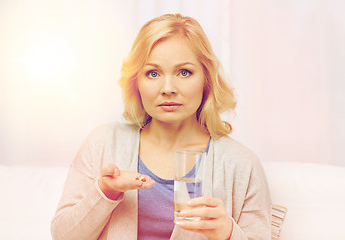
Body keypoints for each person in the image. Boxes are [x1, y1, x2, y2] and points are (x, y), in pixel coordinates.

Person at [51, 13, 272, 240]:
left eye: (184, 72)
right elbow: (62, 236)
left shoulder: (241, 164)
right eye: (153, 73)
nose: (168, 88)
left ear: (206, 79)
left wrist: (227, 232)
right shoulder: (102, 144)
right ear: (136, 82)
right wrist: (105, 193)